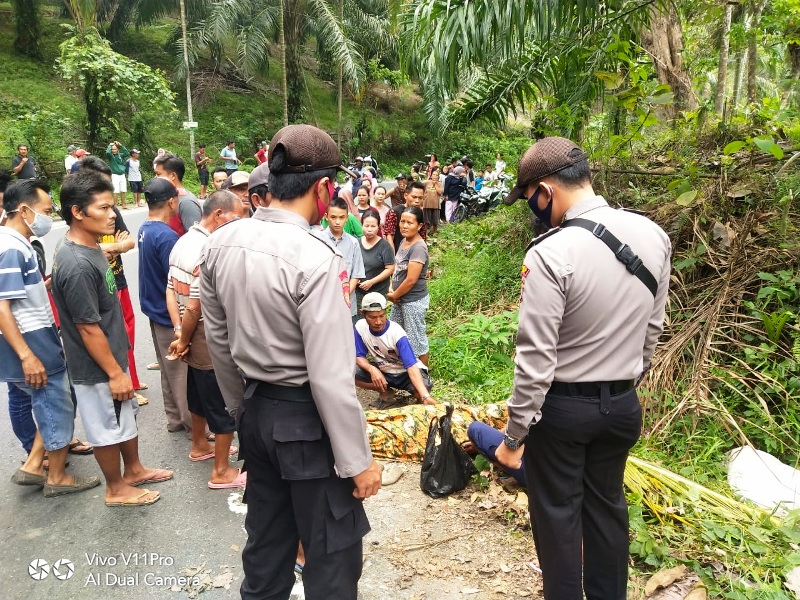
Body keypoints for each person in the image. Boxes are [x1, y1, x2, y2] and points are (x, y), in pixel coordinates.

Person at [200, 124, 382, 600]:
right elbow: (329, 376)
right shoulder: (316, 257)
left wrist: (243, 410)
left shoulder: (222, 242)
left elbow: (218, 342)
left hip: (257, 412)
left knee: (267, 546)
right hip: (305, 424)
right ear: (323, 189)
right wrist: (357, 461)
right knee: (331, 558)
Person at [494, 137, 671, 600]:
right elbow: (654, 327)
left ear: (545, 191)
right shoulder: (653, 234)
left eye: (530, 198)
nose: (532, 208)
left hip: (564, 414)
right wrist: (624, 383)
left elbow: (535, 358)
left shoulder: (551, 252)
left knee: (557, 519)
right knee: (607, 511)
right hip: (623, 407)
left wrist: (514, 437)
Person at [52, 171, 173, 506]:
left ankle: (133, 470)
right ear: (77, 212)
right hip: (96, 367)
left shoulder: (92, 246)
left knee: (124, 414)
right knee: (106, 426)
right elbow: (87, 327)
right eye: (103, 208)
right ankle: (115, 488)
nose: (112, 215)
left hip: (112, 355)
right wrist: (116, 373)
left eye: (111, 207)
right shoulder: (76, 262)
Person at [0, 179, 101, 497]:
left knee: (50, 401)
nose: (49, 217)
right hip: (33, 342)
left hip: (32, 339)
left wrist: (42, 287)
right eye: (45, 210)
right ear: (25, 210)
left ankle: (33, 465)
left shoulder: (15, 243)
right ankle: (57, 477)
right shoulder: (12, 249)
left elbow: (16, 296)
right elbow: (2, 305)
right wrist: (28, 355)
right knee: (56, 405)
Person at [166, 190, 245, 487]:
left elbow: (170, 291)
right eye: (236, 217)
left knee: (198, 393)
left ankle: (200, 445)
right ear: (218, 215)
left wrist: (178, 332)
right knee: (221, 399)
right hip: (203, 332)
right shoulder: (208, 248)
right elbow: (196, 304)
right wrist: (185, 338)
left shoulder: (183, 241)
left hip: (188, 329)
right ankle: (221, 471)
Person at [73, 156, 148, 406]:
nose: (109, 208)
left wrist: (115, 246)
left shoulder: (111, 212)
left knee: (126, 330)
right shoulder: (81, 221)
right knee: (109, 333)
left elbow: (128, 241)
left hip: (118, 279)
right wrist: (113, 247)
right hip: (102, 285)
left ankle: (132, 379)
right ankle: (120, 381)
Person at [138, 177, 193, 435]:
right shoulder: (167, 236)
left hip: (153, 310)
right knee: (181, 374)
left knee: (167, 370)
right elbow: (174, 281)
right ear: (171, 201)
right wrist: (180, 323)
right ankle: (193, 425)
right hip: (168, 314)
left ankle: (174, 419)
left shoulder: (144, 229)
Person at [354, 292, 433, 407]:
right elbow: (359, 356)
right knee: (351, 372)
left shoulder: (396, 333)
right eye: (372, 317)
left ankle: (420, 400)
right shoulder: (360, 327)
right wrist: (372, 369)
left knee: (424, 387)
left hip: (404, 372)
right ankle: (386, 394)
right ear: (363, 313)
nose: (378, 322)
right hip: (384, 370)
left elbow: (411, 366)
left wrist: (425, 396)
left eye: (382, 315)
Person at [386, 206, 430, 366]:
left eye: (409, 223)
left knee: (416, 341)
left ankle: (423, 379)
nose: (404, 225)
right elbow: (398, 269)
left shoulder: (418, 247)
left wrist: (394, 295)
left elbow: (411, 279)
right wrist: (392, 287)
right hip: (399, 299)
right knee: (397, 336)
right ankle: (405, 373)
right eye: (402, 221)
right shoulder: (405, 241)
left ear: (419, 226)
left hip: (412, 301)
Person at [313, 197, 365, 323]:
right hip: (322, 301)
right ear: (326, 216)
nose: (337, 222)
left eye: (341, 217)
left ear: (347, 218)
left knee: (347, 339)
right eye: (333, 217)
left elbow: (356, 274)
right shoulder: (318, 240)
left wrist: (343, 295)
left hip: (346, 303)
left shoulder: (353, 243)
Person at [154, 153, 201, 237]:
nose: (155, 178)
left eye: (158, 174)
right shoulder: (167, 198)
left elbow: (196, 238)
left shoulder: (187, 202)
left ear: (172, 176)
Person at [356, 210, 394, 311]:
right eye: (366, 226)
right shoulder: (355, 243)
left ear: (378, 227)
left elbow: (390, 269)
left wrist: (372, 282)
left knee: (375, 322)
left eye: (373, 226)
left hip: (378, 292)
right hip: (358, 292)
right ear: (362, 225)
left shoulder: (384, 246)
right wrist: (354, 278)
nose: (369, 229)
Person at [383, 181, 427, 254]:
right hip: (398, 254)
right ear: (406, 195)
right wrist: (393, 257)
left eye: (420, 198)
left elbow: (423, 235)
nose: (417, 201)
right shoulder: (394, 212)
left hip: (415, 253)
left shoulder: (421, 213)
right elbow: (389, 236)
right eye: (414, 197)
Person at [106, 141, 131, 208]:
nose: (113, 150)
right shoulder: (110, 156)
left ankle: (123, 205)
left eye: (115, 149)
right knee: (116, 190)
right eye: (112, 149)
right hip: (115, 175)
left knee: (123, 190)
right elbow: (107, 152)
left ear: (117, 149)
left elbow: (127, 153)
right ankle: (115, 205)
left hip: (122, 174)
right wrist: (110, 145)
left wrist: (120, 145)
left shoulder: (120, 155)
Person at [422, 171, 443, 235]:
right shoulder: (427, 182)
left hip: (436, 205)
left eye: (436, 175)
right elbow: (420, 185)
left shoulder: (440, 184)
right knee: (426, 222)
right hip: (426, 204)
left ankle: (434, 233)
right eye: (433, 174)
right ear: (431, 176)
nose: (435, 176)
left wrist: (435, 184)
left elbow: (440, 192)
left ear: (438, 177)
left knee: (435, 221)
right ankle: (425, 234)